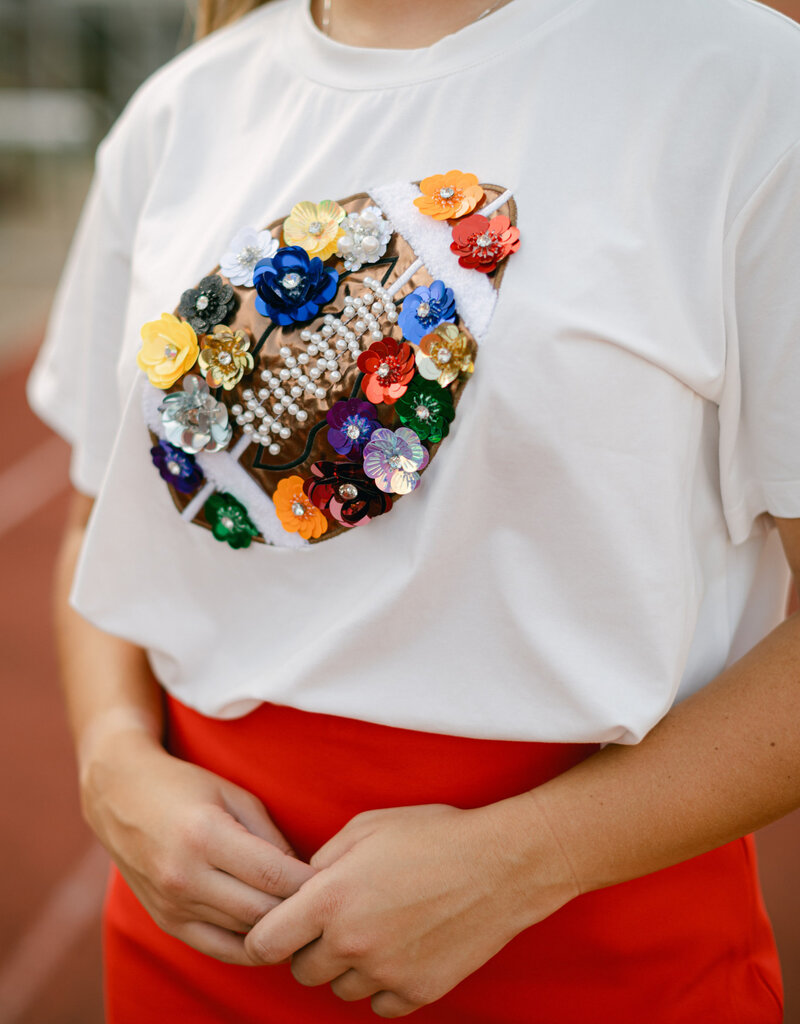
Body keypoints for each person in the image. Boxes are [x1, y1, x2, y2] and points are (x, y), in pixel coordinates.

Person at [27, 0, 800, 1019]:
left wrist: (525, 858)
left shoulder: (742, 86)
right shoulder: (183, 110)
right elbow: (97, 530)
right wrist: (113, 762)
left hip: (596, 958)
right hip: (197, 945)